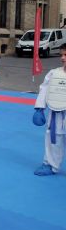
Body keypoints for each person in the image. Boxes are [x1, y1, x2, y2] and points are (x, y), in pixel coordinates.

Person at [33, 44, 66, 176]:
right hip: (55, 113)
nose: (63, 58)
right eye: (61, 55)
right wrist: (39, 108)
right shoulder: (54, 73)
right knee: (53, 139)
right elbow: (45, 89)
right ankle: (50, 165)